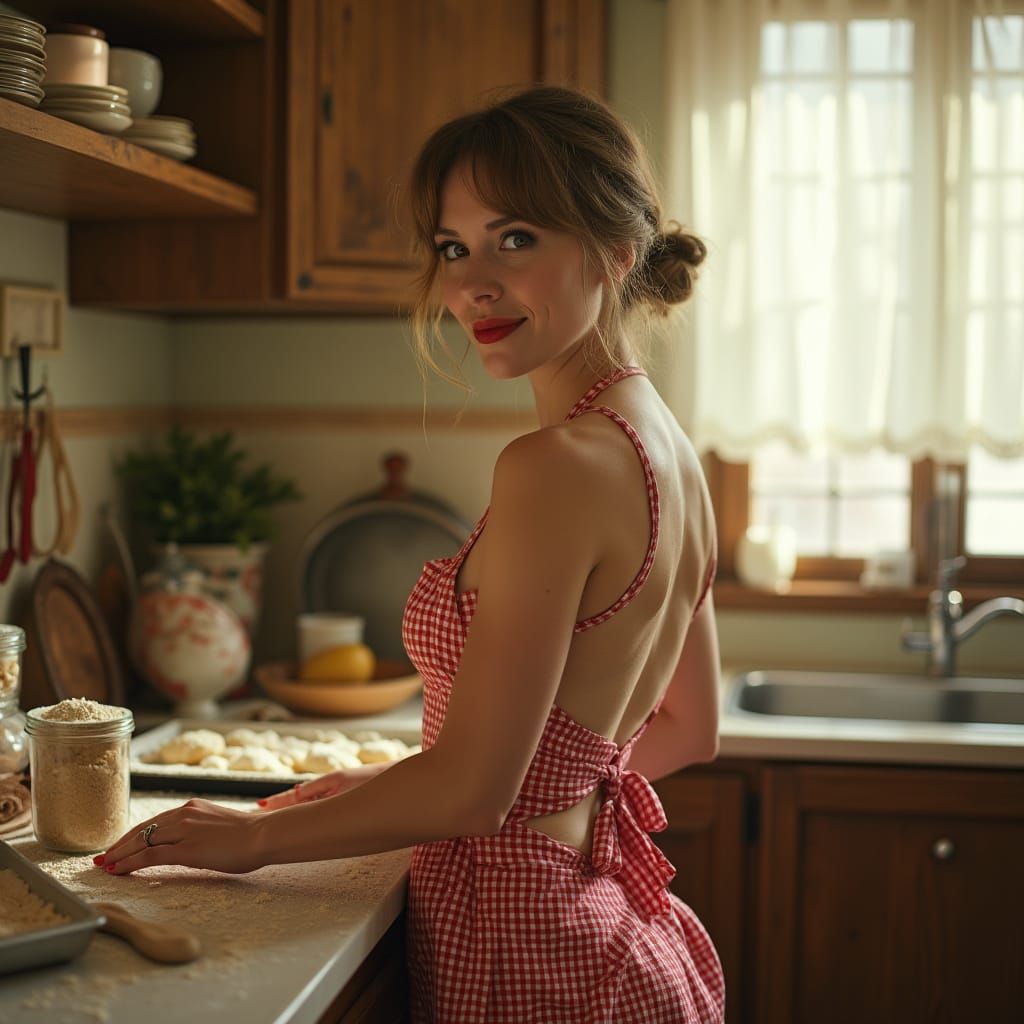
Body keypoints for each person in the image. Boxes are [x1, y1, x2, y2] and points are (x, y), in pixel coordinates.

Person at [99, 85, 725, 1023]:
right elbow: (686, 729)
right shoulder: (669, 448)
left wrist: (250, 839)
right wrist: (402, 785)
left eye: (515, 238)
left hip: (528, 946)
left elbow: (477, 791)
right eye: (451, 246)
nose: (472, 282)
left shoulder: (557, 464)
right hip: (613, 939)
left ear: (615, 252)